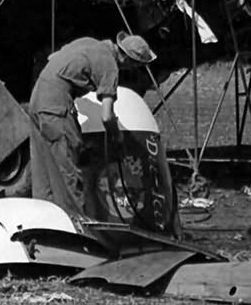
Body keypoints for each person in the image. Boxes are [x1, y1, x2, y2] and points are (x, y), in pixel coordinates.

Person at [26, 32, 156, 217]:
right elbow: (106, 116)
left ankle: (43, 222)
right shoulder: (110, 66)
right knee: (68, 173)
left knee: (44, 175)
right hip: (56, 107)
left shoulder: (88, 43)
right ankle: (76, 224)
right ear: (128, 60)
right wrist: (117, 135)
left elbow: (52, 58)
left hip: (36, 100)